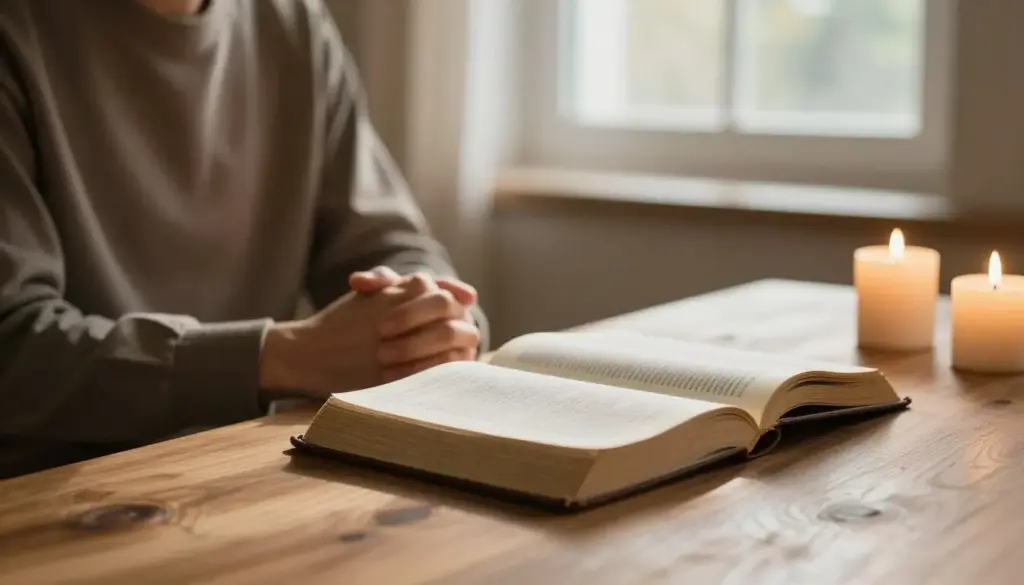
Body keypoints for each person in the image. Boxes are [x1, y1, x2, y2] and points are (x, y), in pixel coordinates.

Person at [0, 0, 487, 478]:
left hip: (251, 466)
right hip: (48, 495)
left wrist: (430, 318)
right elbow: (13, 346)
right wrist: (285, 356)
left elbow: (386, 243)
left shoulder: (294, 22)